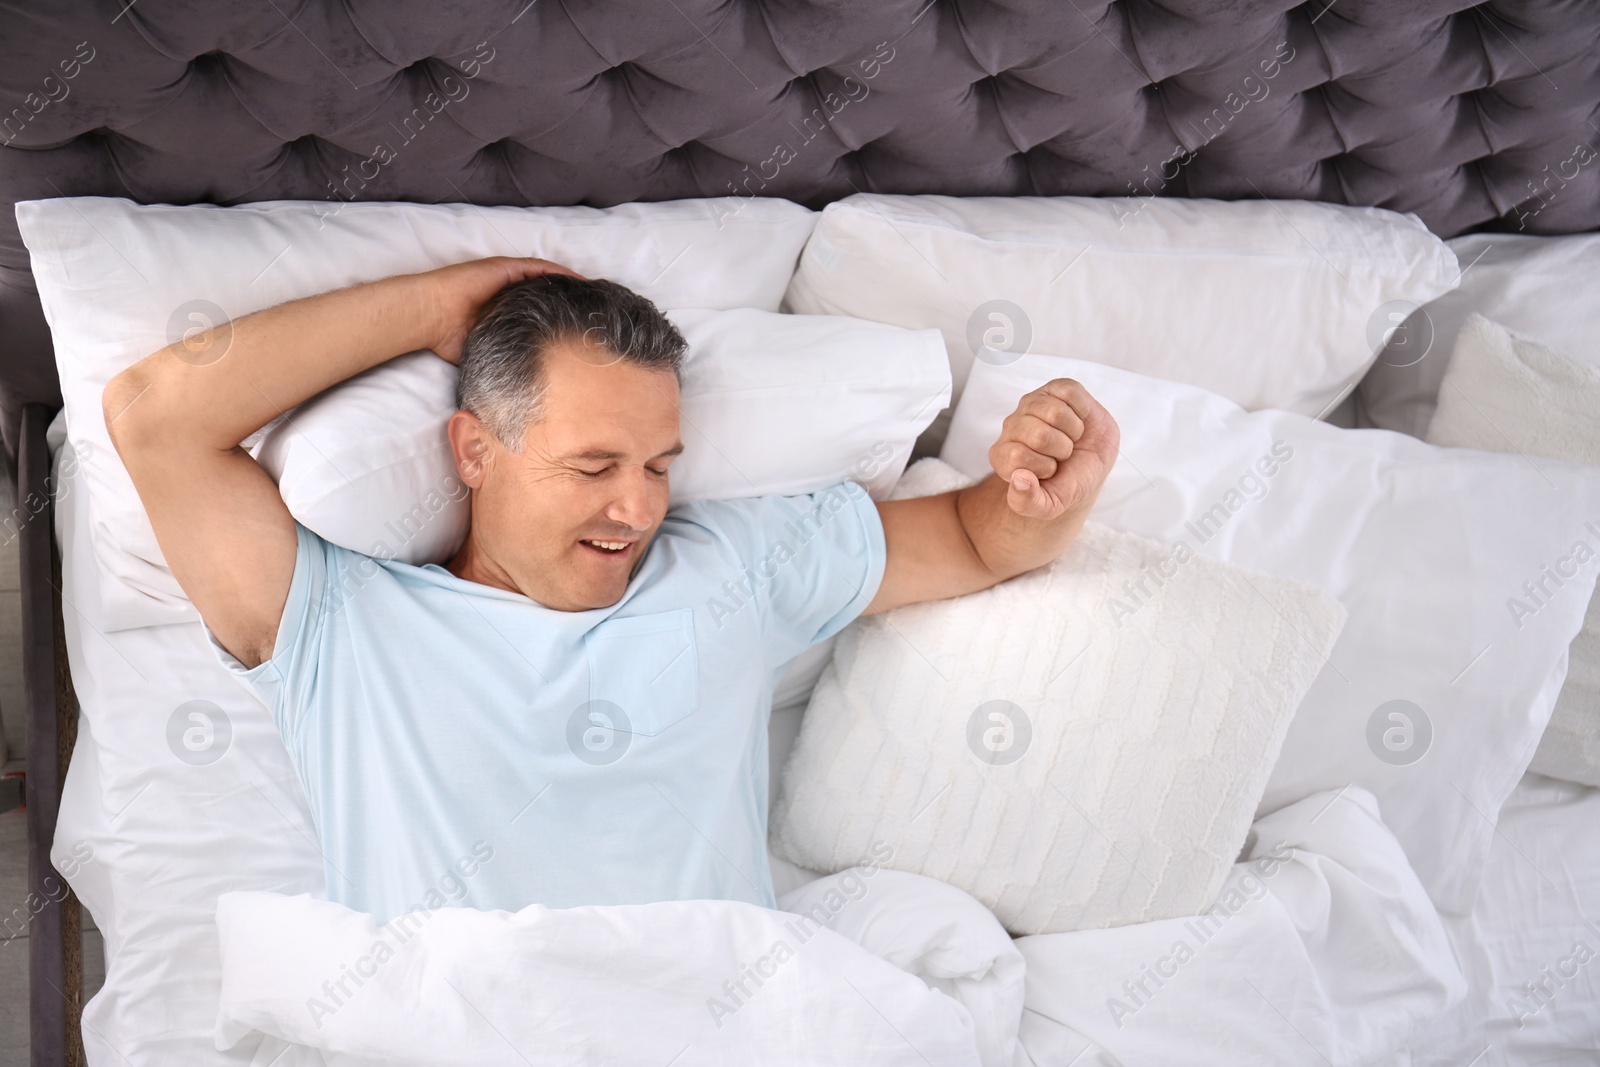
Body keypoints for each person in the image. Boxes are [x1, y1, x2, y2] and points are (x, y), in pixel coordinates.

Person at [103, 256, 1119, 923]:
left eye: (658, 464)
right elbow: (152, 414)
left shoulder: (730, 564)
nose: (634, 510)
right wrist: (429, 305)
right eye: (593, 467)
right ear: (475, 448)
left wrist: (1043, 484)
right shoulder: (341, 622)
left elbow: (976, 541)